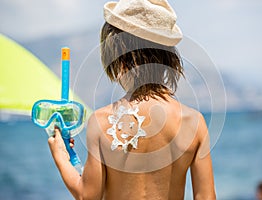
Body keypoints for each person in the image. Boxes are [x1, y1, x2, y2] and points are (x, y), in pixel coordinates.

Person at [48, 0, 216, 199]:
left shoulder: (101, 121)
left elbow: (88, 195)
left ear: (120, 56)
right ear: (168, 57)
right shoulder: (194, 123)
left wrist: (61, 155)